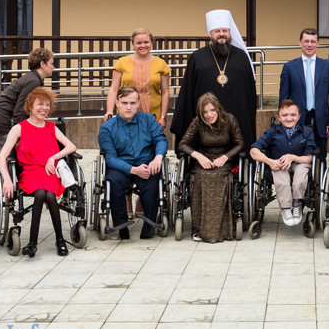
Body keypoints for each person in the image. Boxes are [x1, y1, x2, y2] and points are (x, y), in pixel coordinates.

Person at [0, 87, 77, 257]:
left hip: (50, 173)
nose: (44, 108)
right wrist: (7, 180)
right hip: (30, 173)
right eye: (40, 104)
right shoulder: (19, 128)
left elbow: (71, 147)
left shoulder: (51, 127)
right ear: (30, 107)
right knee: (42, 193)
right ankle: (54, 241)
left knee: (46, 194)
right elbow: (1, 157)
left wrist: (53, 157)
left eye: (47, 105)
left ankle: (39, 243)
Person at [171, 9, 257, 150]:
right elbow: (188, 91)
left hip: (237, 115)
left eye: (225, 30)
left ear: (229, 33)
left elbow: (249, 93)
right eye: (217, 31)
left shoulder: (242, 57)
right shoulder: (197, 57)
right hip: (206, 118)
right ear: (210, 34)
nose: (221, 34)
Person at [98, 87, 167, 240]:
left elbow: (161, 140)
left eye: (132, 103)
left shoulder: (149, 120)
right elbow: (110, 158)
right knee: (114, 183)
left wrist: (158, 158)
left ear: (138, 103)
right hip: (121, 166)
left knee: (152, 184)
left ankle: (149, 225)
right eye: (124, 103)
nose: (128, 107)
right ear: (117, 103)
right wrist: (133, 170)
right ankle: (121, 226)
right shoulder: (107, 128)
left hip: (147, 163)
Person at [176, 92, 244, 242]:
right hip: (203, 160)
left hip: (224, 161)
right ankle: (199, 229)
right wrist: (199, 156)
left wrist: (226, 157)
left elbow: (240, 143)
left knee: (218, 177)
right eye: (205, 112)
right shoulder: (198, 122)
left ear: (218, 109)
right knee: (200, 178)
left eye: (212, 110)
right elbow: (183, 144)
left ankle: (221, 229)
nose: (209, 115)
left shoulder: (229, 119)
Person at [249, 100, 316, 227]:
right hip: (278, 163)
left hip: (300, 162)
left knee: (301, 173)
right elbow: (253, 151)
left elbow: (308, 158)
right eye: (285, 115)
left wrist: (292, 157)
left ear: (299, 116)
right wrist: (270, 161)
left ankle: (297, 204)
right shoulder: (272, 132)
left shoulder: (307, 132)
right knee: (282, 178)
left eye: (293, 115)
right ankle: (286, 208)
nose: (289, 118)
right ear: (279, 117)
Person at [279, 28, 329, 158]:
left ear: (318, 43)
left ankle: (320, 178)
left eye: (313, 41)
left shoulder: (328, 66)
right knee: (297, 155)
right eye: (306, 41)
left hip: (321, 120)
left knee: (320, 157)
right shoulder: (289, 67)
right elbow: (283, 98)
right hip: (296, 118)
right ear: (300, 42)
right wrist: (285, 120)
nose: (309, 45)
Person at [0, 47, 55, 151]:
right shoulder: (33, 81)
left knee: (15, 154)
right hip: (0, 121)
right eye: (51, 63)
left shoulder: (33, 78)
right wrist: (21, 133)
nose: (53, 67)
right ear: (42, 64)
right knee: (12, 155)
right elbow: (20, 111)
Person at [105, 27, 171, 127]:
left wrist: (163, 117)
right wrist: (109, 111)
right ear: (133, 44)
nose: (143, 45)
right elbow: (113, 90)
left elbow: (165, 92)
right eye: (139, 43)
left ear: (151, 43)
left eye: (146, 42)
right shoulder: (121, 63)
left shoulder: (161, 64)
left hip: (153, 116)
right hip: (126, 115)